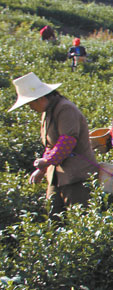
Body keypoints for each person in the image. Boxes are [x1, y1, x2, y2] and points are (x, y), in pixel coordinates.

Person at [8, 72, 97, 220]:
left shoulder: (65, 109)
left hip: (76, 175)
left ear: (40, 98)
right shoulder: (47, 112)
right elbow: (50, 146)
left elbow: (67, 141)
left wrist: (47, 161)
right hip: (57, 175)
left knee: (80, 218)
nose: (30, 107)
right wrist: (41, 169)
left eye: (30, 104)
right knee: (53, 215)